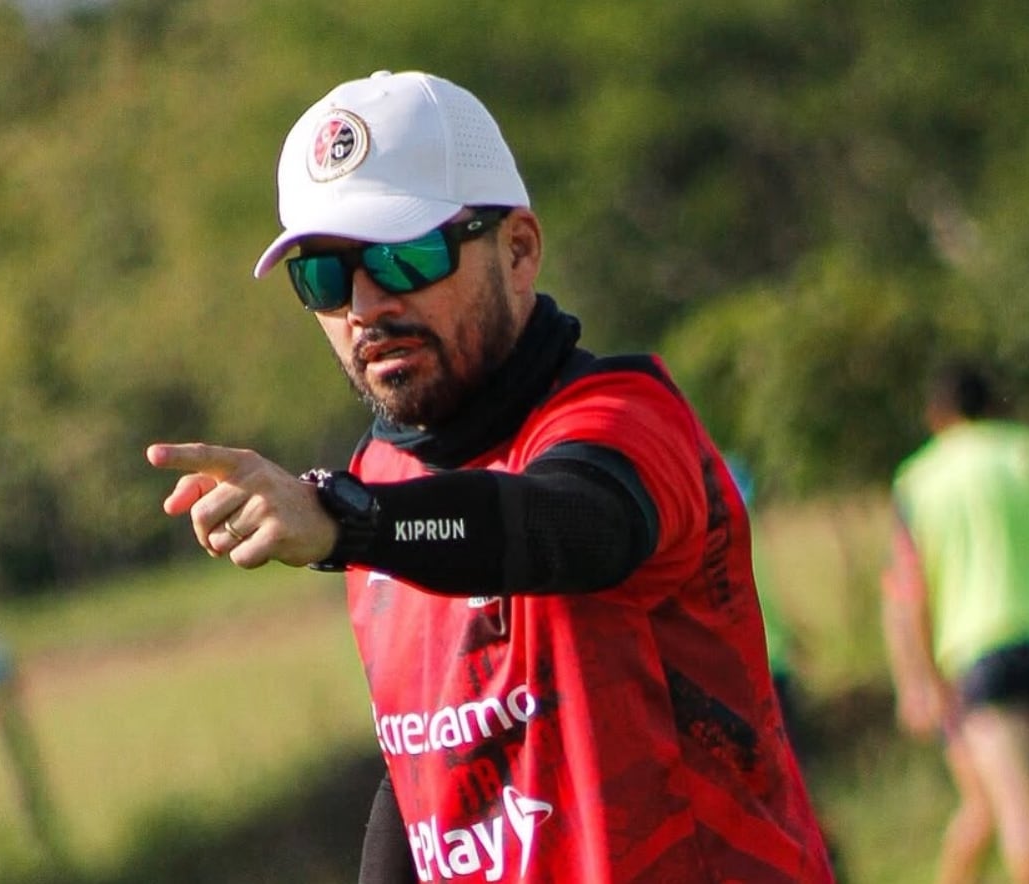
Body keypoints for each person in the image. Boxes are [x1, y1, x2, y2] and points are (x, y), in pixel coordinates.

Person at [146, 69, 834, 883]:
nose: (365, 306)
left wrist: (351, 524)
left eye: (404, 256)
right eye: (325, 276)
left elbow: (568, 525)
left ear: (517, 250)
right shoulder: (380, 478)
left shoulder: (623, 418)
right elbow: (426, 773)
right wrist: (361, 517)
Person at [881, 360, 1029, 884]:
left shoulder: (918, 480)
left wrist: (925, 677)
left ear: (937, 416)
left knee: (1021, 810)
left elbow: (913, 593)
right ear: (994, 405)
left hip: (981, 655)